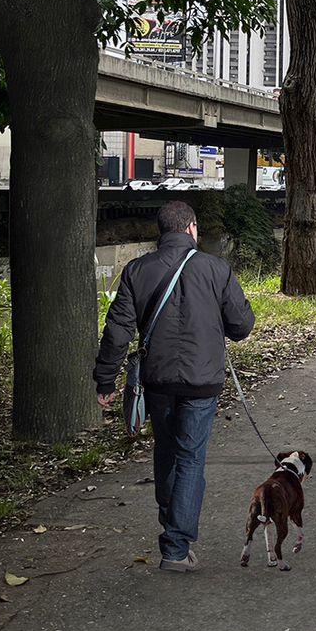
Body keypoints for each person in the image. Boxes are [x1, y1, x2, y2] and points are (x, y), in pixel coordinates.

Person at [93, 201, 255, 572]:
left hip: (158, 382)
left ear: (161, 232)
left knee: (167, 452)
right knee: (190, 458)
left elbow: (117, 332)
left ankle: (172, 532)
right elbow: (242, 326)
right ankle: (176, 547)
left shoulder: (137, 271)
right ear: (193, 228)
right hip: (202, 382)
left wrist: (105, 378)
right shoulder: (217, 269)